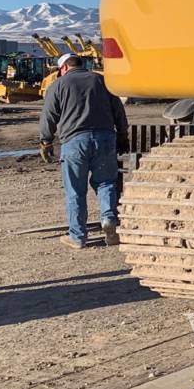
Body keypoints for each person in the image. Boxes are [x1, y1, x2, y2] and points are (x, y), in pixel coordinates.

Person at [39, 53, 129, 249]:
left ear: (63, 68)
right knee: (106, 183)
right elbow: (118, 110)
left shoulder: (59, 85)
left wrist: (46, 141)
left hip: (74, 142)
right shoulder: (102, 80)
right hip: (105, 139)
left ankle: (78, 237)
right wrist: (122, 134)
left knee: (75, 191)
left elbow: (48, 116)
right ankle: (109, 221)